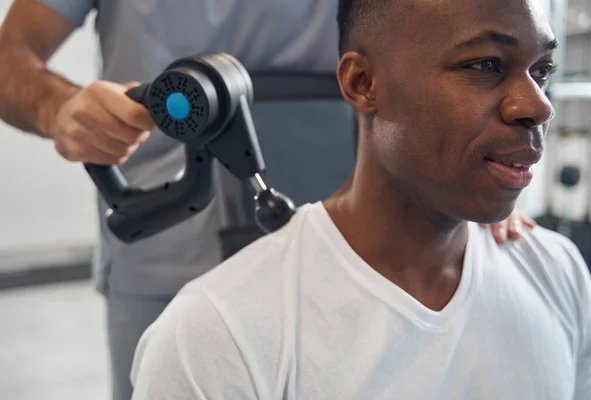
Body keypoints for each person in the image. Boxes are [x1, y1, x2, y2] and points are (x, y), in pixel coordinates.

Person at [0, 0, 538, 398]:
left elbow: (467, 42)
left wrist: (481, 177)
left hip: (353, 258)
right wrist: (60, 107)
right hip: (162, 240)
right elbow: (10, 54)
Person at [129, 0, 591, 398]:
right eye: (485, 65)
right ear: (362, 84)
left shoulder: (557, 272)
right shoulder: (215, 335)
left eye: (542, 71)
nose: (538, 105)